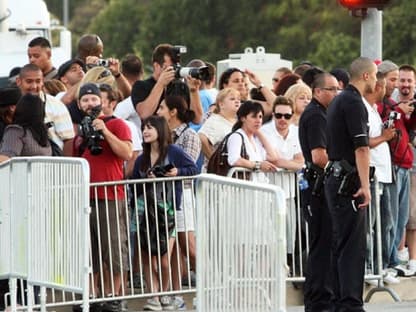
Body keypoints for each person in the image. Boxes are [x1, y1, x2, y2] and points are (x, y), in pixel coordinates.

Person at [74, 83, 132, 311]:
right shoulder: (80, 130)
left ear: (103, 102)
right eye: (85, 100)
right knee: (89, 251)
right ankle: (92, 295)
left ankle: (116, 296)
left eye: (93, 99)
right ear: (79, 104)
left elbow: (126, 153)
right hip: (84, 197)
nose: (90, 104)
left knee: (114, 247)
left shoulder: (117, 124)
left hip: (109, 196)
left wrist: (105, 131)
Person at [325, 57, 376, 312]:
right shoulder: (354, 102)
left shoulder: (338, 100)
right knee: (352, 247)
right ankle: (350, 305)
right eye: (375, 76)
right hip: (348, 182)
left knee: (340, 244)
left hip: (335, 178)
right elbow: (362, 148)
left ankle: (339, 302)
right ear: (366, 76)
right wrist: (365, 186)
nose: (377, 81)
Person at [131, 116, 197, 311]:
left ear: (160, 129)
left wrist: (176, 172)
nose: (146, 131)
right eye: (144, 128)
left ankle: (166, 292)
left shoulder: (173, 151)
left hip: (167, 210)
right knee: (146, 257)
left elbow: (192, 168)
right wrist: (147, 179)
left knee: (164, 259)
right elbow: (134, 179)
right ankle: (154, 296)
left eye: (150, 127)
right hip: (143, 210)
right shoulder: (142, 158)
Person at [298, 71, 339, 312]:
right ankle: (319, 301)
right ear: (318, 91)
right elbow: (319, 156)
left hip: (320, 186)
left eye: (338, 89)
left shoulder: (323, 113)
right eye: (332, 89)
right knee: (322, 244)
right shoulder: (315, 116)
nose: (336, 93)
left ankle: (322, 298)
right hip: (317, 187)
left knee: (326, 243)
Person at [157, 95, 201, 309]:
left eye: (162, 108)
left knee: (190, 248)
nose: (159, 111)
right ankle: (177, 295)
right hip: (166, 197)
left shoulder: (189, 135)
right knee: (173, 250)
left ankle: (207, 288)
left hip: (182, 196)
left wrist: (175, 171)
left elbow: (190, 167)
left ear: (173, 111)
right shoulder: (164, 134)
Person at [362, 71, 398, 284]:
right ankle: (368, 268)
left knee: (386, 222)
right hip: (373, 174)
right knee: (371, 225)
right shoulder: (364, 109)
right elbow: (363, 141)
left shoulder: (375, 109)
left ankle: (380, 266)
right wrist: (383, 137)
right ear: (377, 87)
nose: (386, 90)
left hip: (384, 174)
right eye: (383, 85)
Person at [131, 43, 203, 125]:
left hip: (179, 136)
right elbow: (144, 114)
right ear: (157, 66)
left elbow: (197, 119)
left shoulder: (181, 87)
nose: (174, 71)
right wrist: (161, 84)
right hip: (155, 136)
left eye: (176, 67)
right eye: (170, 67)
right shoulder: (141, 86)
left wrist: (194, 91)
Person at [16, 64, 75, 156]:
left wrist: (65, 165)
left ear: (43, 81)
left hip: (52, 163)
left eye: (38, 81)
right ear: (18, 81)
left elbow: (68, 139)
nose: (34, 86)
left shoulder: (55, 104)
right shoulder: (12, 104)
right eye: (29, 81)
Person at [226, 100, 278, 176]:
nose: (258, 120)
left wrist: (259, 133)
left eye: (260, 117)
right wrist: (258, 165)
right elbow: (233, 160)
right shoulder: (236, 136)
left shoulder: (255, 140)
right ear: (243, 118)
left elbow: (272, 157)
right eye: (254, 116)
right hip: (243, 185)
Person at [0, 93, 52, 162]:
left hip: (19, 172)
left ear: (20, 109)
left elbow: (6, 159)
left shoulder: (16, 131)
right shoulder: (44, 135)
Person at [199, 88, 241, 170]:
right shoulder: (215, 120)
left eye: (238, 99)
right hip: (216, 176)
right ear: (221, 104)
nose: (237, 101)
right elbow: (202, 138)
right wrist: (215, 161)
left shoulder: (239, 121)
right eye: (232, 99)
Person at [262, 96, 304, 171]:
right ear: (273, 115)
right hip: (266, 181)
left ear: (292, 116)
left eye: (287, 116)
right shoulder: (264, 131)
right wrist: (293, 164)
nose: (282, 119)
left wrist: (280, 163)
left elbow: (301, 162)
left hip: (291, 181)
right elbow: (272, 160)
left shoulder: (297, 131)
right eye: (279, 115)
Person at [114, 54, 144, 144]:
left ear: (122, 73)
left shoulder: (127, 104)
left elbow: (114, 119)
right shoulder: (153, 93)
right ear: (142, 72)